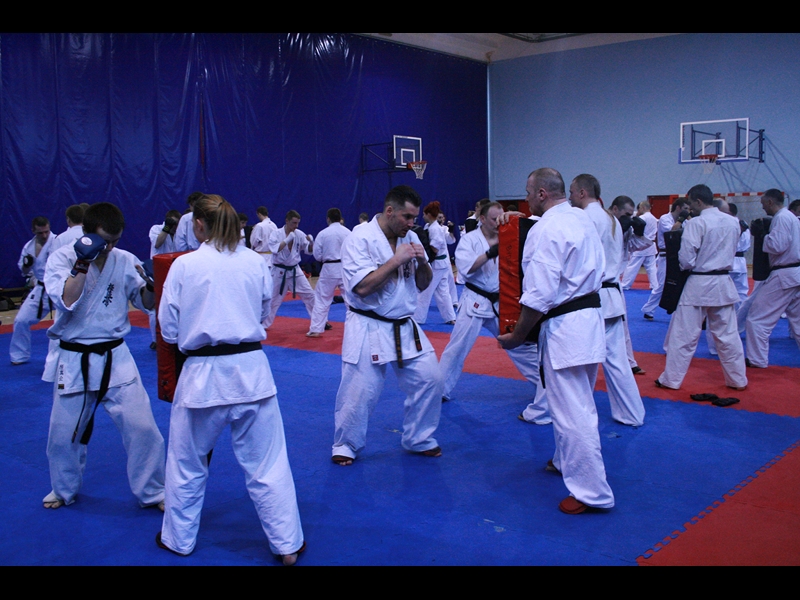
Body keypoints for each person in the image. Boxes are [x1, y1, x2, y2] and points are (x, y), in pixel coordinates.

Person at [157, 195, 304, 564]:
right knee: (268, 463)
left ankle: (179, 539)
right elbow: (264, 315)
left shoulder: (184, 265)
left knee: (186, 463)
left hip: (201, 376)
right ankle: (287, 544)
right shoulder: (255, 262)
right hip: (251, 371)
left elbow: (169, 329)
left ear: (199, 225)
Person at [498, 168, 613, 515]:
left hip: (566, 327)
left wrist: (518, 336)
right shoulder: (580, 219)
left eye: (528, 193)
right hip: (589, 320)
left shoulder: (546, 229)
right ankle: (565, 461)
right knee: (578, 402)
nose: (526, 199)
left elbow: (540, 294)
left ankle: (591, 493)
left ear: (542, 194)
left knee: (572, 413)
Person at [41, 202, 165, 510]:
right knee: (63, 436)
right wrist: (82, 263)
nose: (109, 247)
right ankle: (63, 489)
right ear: (85, 234)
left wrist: (153, 286)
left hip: (115, 355)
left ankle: (153, 491)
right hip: (75, 358)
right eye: (103, 241)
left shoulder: (124, 259)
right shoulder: (62, 258)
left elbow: (146, 303)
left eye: (115, 241)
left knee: (143, 429)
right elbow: (66, 300)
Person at [331, 185, 441, 465]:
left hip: (404, 325)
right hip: (368, 324)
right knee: (360, 390)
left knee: (431, 378)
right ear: (389, 211)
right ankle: (346, 443)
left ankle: (418, 437)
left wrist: (422, 262)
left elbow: (423, 284)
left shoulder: (411, 236)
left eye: (414, 217)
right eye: (407, 217)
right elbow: (362, 288)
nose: (411, 223)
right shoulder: (360, 238)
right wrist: (396, 260)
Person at [438, 202, 550, 424]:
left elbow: (533, 224)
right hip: (474, 300)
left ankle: (547, 388)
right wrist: (490, 253)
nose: (498, 222)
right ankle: (438, 390)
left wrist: (514, 216)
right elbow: (466, 269)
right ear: (481, 219)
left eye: (501, 218)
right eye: (493, 219)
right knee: (457, 348)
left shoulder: (508, 235)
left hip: (501, 303)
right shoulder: (470, 240)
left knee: (520, 346)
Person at [569, 175, 645, 426]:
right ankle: (632, 413)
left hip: (592, 297)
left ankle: (567, 412)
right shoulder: (609, 218)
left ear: (582, 192)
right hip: (612, 295)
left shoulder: (584, 218)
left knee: (579, 361)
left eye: (571, 192)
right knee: (617, 361)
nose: (569, 197)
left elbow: (579, 261)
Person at [655, 184, 747, 390]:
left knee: (684, 335)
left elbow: (686, 259)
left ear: (698, 201)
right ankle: (738, 379)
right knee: (728, 336)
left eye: (690, 204)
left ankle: (671, 380)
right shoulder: (733, 222)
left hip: (699, 283)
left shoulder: (697, 223)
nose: (689, 208)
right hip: (723, 282)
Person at [745, 189, 800, 367]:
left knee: (757, 318)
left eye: (763, 204)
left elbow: (777, 246)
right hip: (794, 273)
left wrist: (763, 236)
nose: (763, 208)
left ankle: (757, 359)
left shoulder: (782, 218)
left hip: (784, 273)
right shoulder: (791, 217)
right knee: (798, 320)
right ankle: (757, 358)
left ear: (770, 202)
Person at [10, 217, 56, 365]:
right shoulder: (29, 247)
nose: (44, 235)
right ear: (33, 231)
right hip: (41, 289)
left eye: (46, 231)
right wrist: (26, 265)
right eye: (40, 233)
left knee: (65, 324)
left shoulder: (57, 242)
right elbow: (24, 271)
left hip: (60, 288)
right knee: (21, 320)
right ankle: (19, 355)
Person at [263, 210, 315, 329]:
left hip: (295, 270)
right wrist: (287, 240)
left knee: (310, 295)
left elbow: (308, 250)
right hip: (279, 271)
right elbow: (275, 249)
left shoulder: (299, 234)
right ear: (287, 221)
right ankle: (263, 324)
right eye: (294, 223)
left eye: (298, 223)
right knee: (273, 300)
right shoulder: (276, 234)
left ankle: (319, 321)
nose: (296, 226)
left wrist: (311, 243)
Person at [641, 198, 690, 320]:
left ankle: (674, 307)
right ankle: (648, 310)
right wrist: (681, 220)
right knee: (662, 285)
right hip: (665, 256)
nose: (687, 211)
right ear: (678, 207)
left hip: (679, 255)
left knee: (681, 284)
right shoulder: (664, 218)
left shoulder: (685, 221)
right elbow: (673, 232)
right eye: (685, 208)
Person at [307, 208, 350, 337]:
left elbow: (317, 255)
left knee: (322, 299)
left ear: (328, 219)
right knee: (351, 300)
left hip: (329, 268)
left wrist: (324, 258)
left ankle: (316, 329)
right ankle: (356, 327)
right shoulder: (348, 232)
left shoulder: (323, 233)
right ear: (340, 218)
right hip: (345, 267)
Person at [413, 201, 456, 325]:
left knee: (425, 291)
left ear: (428, 214)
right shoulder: (430, 227)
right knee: (443, 292)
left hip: (437, 264)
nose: (422, 217)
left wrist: (424, 248)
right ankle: (450, 317)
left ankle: (418, 318)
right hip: (442, 264)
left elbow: (435, 248)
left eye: (424, 214)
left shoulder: (435, 228)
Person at [145, 209, 182, 348]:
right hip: (158, 270)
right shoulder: (156, 229)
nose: (175, 227)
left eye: (176, 224)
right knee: (155, 306)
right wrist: (166, 228)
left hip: (174, 270)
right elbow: (157, 244)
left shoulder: (179, 232)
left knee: (174, 304)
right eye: (173, 224)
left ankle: (175, 336)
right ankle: (155, 339)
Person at [621, 200, 658, 290]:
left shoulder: (642, 218)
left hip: (641, 245)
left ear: (643, 208)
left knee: (632, 266)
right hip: (651, 245)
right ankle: (654, 285)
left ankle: (625, 284)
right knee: (651, 268)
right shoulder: (654, 218)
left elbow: (634, 231)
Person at [250, 205, 278, 270]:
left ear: (259, 214)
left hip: (261, 256)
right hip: (272, 257)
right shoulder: (274, 225)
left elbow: (254, 243)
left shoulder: (259, 226)